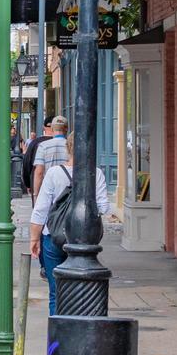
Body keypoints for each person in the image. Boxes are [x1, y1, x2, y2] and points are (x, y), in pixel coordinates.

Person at [29, 132, 110, 314]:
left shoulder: (54, 173)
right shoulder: (96, 173)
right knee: (83, 291)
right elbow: (103, 208)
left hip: (54, 238)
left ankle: (56, 340)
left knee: (56, 292)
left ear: (68, 148)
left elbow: (41, 210)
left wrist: (34, 239)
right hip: (84, 240)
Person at [33, 116, 69, 201]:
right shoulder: (71, 146)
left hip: (49, 191)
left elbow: (39, 172)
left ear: (52, 129)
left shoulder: (43, 146)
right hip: (68, 191)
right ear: (66, 129)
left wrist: (36, 194)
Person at [22, 128, 46, 195]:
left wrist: (29, 184)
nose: (32, 136)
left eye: (33, 135)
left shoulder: (35, 143)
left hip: (41, 184)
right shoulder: (65, 143)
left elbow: (27, 164)